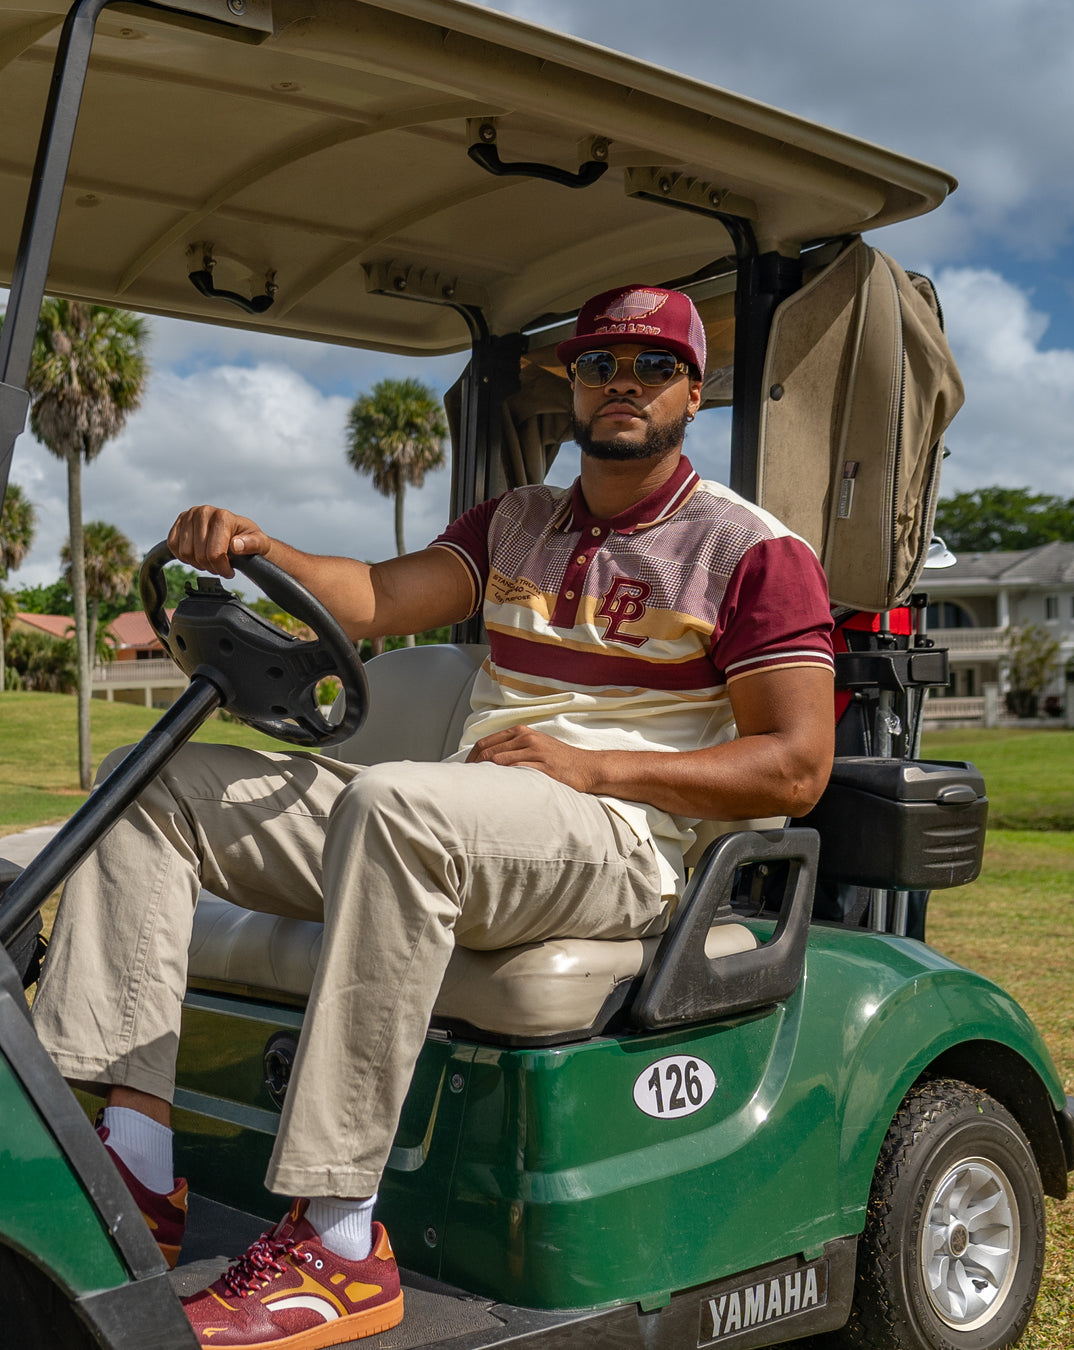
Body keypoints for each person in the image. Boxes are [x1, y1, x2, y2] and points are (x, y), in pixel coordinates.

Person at [31, 284, 837, 1349]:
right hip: (468, 819)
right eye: (601, 366)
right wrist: (258, 552)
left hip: (619, 838)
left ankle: (342, 1243)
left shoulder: (749, 549)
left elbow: (794, 768)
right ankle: (131, 1169)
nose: (625, 385)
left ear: (694, 389)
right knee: (153, 779)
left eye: (652, 367)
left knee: (398, 802)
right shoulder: (517, 522)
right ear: (571, 388)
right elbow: (369, 595)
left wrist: (594, 771)